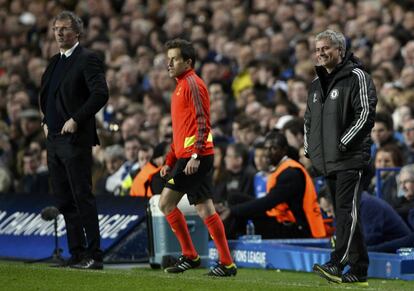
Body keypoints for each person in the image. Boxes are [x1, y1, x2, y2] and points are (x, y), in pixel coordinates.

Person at [157, 39, 236, 277]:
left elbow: (203, 122)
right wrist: (170, 160)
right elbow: (182, 130)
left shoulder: (192, 84)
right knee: (205, 209)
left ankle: (190, 255)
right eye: (168, 58)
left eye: (174, 59)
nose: (168, 63)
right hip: (189, 157)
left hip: (196, 158)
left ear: (188, 62)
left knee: (165, 203)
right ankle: (227, 263)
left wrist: (194, 155)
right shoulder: (181, 85)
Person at [304, 30, 377, 286]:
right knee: (346, 215)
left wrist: (344, 143)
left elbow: (366, 114)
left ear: (340, 50)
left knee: (346, 213)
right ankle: (359, 270)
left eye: (326, 48)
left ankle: (337, 262)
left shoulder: (357, 76)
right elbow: (309, 120)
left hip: (351, 158)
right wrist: (310, 149)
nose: (321, 53)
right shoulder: (316, 83)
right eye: (318, 49)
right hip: (327, 161)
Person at [38, 11, 108, 270]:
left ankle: (94, 254)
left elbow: (101, 93)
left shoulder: (88, 59)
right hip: (54, 140)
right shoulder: (54, 62)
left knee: (82, 196)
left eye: (65, 29)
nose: (59, 33)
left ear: (77, 32)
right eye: (56, 28)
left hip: (74, 138)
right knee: (65, 198)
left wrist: (76, 119)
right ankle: (77, 252)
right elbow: (45, 97)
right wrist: (45, 121)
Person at [217, 131, 326, 239]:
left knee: (238, 210)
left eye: (273, 148)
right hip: (281, 220)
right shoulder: (281, 169)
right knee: (234, 198)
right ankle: (226, 240)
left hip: (297, 228)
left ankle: (223, 242)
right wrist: (231, 208)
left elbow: (268, 202)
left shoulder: (291, 173)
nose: (268, 153)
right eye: (266, 148)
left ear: (284, 151)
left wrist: (232, 210)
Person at [318, 189, 412, 253]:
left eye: (330, 210)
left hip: (401, 250)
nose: (329, 215)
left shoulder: (367, 204)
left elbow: (370, 239)